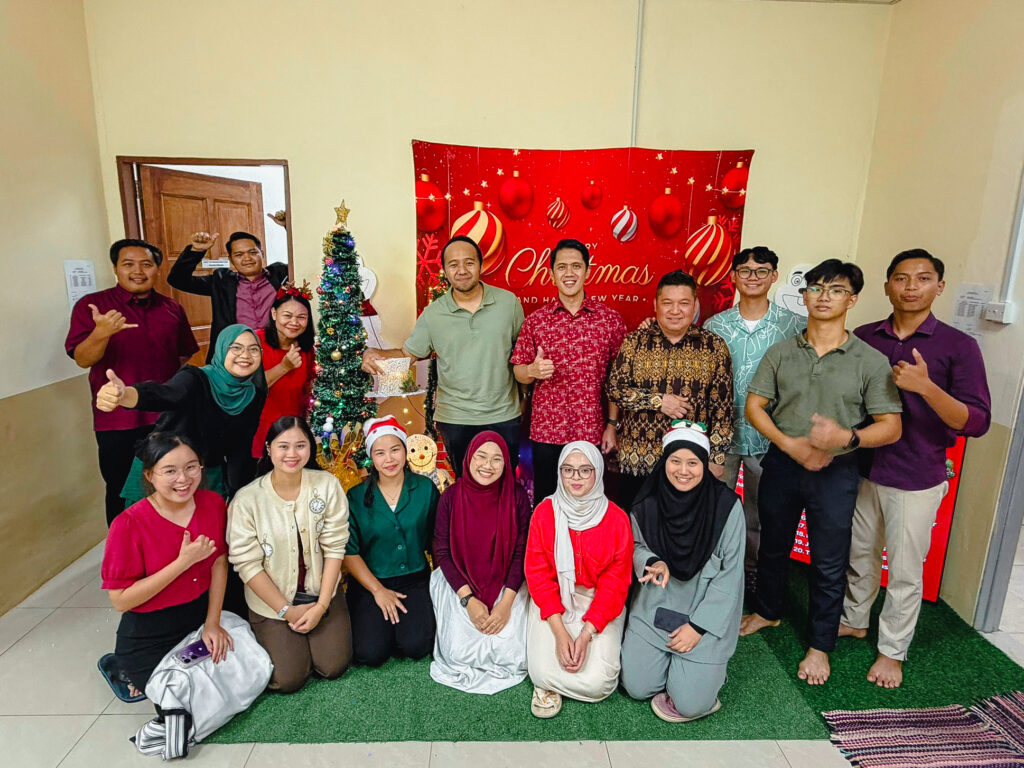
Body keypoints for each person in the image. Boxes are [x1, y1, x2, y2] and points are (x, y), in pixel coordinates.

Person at [740, 259, 903, 686]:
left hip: (836, 471)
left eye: (836, 290)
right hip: (783, 463)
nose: (824, 297)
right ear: (805, 295)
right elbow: (755, 406)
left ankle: (820, 644)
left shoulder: (869, 360)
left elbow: (891, 426)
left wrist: (846, 438)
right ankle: (767, 611)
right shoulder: (782, 352)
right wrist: (790, 444)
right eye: (816, 288)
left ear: (852, 299)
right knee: (772, 545)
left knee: (829, 561)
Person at [839, 249, 991, 688]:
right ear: (887, 286)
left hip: (916, 474)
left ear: (938, 287)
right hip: (862, 466)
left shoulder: (959, 346)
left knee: (905, 569)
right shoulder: (865, 336)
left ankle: (892, 650)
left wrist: (926, 387)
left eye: (923, 278)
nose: (911, 287)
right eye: (902, 278)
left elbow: (976, 422)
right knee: (859, 554)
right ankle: (854, 620)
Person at [361, 236, 525, 474]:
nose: (462, 270)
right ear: (445, 271)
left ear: (481, 265)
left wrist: (524, 399)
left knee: (504, 483)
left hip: (503, 415)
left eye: (469, 262)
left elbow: (523, 355)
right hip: (455, 418)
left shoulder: (508, 304)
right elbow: (408, 355)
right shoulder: (434, 314)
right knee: (464, 484)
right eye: (453, 264)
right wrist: (373, 354)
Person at [66, 238, 198, 525]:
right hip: (117, 421)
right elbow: (82, 359)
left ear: (157, 269)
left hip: (167, 419)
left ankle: (168, 544)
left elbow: (184, 356)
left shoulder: (172, 308)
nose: (138, 271)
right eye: (128, 264)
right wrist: (101, 332)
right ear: (115, 268)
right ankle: (123, 551)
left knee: (173, 486)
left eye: (146, 264)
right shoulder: (93, 306)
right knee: (121, 491)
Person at [620, 423, 744, 722]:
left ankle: (703, 676)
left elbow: (731, 574)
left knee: (690, 704)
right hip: (656, 607)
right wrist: (652, 561)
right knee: (637, 687)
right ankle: (683, 672)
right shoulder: (646, 505)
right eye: (675, 461)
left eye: (693, 463)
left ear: (705, 464)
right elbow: (634, 546)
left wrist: (698, 628)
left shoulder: (727, 507)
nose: (683, 471)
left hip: (705, 617)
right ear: (665, 462)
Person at [101, 433, 233, 702]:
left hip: (199, 615)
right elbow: (121, 600)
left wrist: (212, 623)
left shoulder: (213, 503)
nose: (183, 479)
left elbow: (219, 561)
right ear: (149, 475)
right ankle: (125, 668)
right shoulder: (128, 524)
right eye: (170, 471)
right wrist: (182, 563)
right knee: (185, 697)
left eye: (191, 467)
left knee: (230, 680)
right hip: (150, 631)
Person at [228, 416, 352, 693]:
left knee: (333, 666)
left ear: (310, 448)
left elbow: (335, 548)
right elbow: (247, 564)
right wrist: (286, 610)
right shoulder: (247, 499)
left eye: (300, 445)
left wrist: (322, 605)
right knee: (288, 679)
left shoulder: (327, 485)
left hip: (321, 593)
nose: (292, 454)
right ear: (269, 448)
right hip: (273, 603)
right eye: (283, 446)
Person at [705, 247, 804, 589]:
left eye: (761, 271)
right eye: (745, 271)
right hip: (722, 436)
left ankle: (753, 571)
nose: (753, 277)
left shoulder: (794, 326)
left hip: (770, 437)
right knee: (716, 507)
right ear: (733, 277)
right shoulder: (715, 325)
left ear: (774, 276)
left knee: (761, 512)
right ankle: (715, 571)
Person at [95, 324, 267, 505]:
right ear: (222, 349)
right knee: (150, 522)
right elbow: (165, 395)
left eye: (253, 349)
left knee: (206, 522)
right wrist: (126, 395)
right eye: (236, 348)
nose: (245, 355)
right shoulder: (195, 378)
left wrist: (240, 495)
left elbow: (240, 450)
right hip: (164, 468)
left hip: (207, 472)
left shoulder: (254, 395)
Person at [510, 239, 627, 503]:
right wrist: (532, 370)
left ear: (587, 271)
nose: (569, 273)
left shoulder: (609, 320)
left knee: (588, 502)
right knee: (547, 501)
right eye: (562, 267)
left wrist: (612, 425)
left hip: (590, 430)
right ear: (552, 274)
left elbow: (617, 380)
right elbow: (518, 371)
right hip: (546, 432)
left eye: (576, 266)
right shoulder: (536, 321)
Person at [606, 269, 734, 507]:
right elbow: (615, 390)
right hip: (638, 459)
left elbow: (722, 409)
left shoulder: (714, 346)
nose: (675, 311)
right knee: (635, 523)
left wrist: (716, 457)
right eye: (668, 303)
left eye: (684, 303)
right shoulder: (635, 342)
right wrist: (658, 401)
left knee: (685, 525)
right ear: (656, 305)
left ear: (695, 305)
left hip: (690, 465)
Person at [523, 442, 632, 718]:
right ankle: (548, 680)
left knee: (599, 684)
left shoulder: (617, 519)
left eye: (585, 470)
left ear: (598, 472)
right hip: (554, 600)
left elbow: (615, 584)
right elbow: (538, 576)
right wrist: (560, 633)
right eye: (568, 469)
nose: (576, 477)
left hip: (598, 603)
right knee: (539, 670)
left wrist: (585, 635)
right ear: (559, 472)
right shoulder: (544, 513)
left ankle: (553, 684)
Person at [430, 431, 532, 694]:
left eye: (497, 459)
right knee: (458, 654)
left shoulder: (517, 496)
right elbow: (442, 553)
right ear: (469, 458)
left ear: (506, 463)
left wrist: (505, 605)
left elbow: (521, 552)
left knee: (513, 655)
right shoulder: (450, 497)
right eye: (481, 457)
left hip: (507, 584)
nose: (488, 465)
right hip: (460, 583)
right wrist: (469, 601)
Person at [344, 416, 439, 666]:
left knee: (417, 646)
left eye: (395, 449)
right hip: (371, 581)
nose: (389, 459)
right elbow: (350, 552)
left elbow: (436, 539)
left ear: (405, 450)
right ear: (371, 457)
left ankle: (400, 629)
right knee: (370, 653)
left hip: (414, 579)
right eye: (380, 453)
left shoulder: (425, 489)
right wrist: (378, 591)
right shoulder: (355, 497)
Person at [168, 231, 289, 361]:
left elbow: (301, 257)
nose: (247, 258)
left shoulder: (281, 274)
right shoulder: (221, 282)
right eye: (239, 255)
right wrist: (196, 251)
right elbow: (177, 280)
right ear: (231, 259)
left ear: (262, 254)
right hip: (235, 355)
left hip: (277, 351)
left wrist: (287, 226)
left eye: (253, 252)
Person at [251, 284, 315, 462]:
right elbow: (250, 387)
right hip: (260, 429)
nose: (294, 322)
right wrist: (284, 366)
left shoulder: (306, 348)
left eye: (301, 317)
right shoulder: (255, 340)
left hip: (294, 430)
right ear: (274, 314)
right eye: (287, 315)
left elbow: (308, 387)